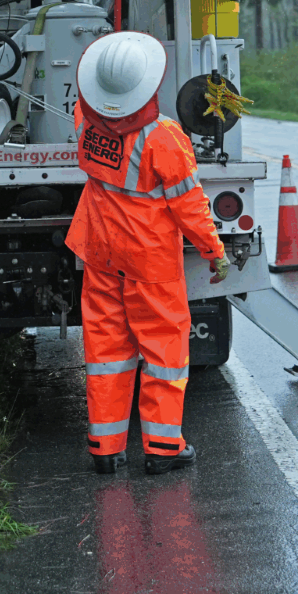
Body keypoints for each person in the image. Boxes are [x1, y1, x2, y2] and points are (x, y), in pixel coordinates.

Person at [66, 31, 231, 476]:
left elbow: (89, 103)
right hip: (149, 259)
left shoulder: (84, 120)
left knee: (106, 352)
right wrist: (213, 251)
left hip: (100, 252)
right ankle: (162, 447)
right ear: (150, 87)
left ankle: (105, 446)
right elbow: (190, 205)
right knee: (162, 352)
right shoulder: (164, 138)